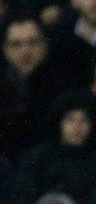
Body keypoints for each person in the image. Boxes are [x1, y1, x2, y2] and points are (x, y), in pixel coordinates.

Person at [15, 91, 96, 204]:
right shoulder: (38, 159)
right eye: (70, 119)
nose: (78, 126)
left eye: (84, 120)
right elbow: (25, 200)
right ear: (59, 122)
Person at [0, 16, 67, 161]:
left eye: (32, 42)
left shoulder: (62, 86)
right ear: (5, 50)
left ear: (44, 46)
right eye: (16, 44)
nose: (25, 52)